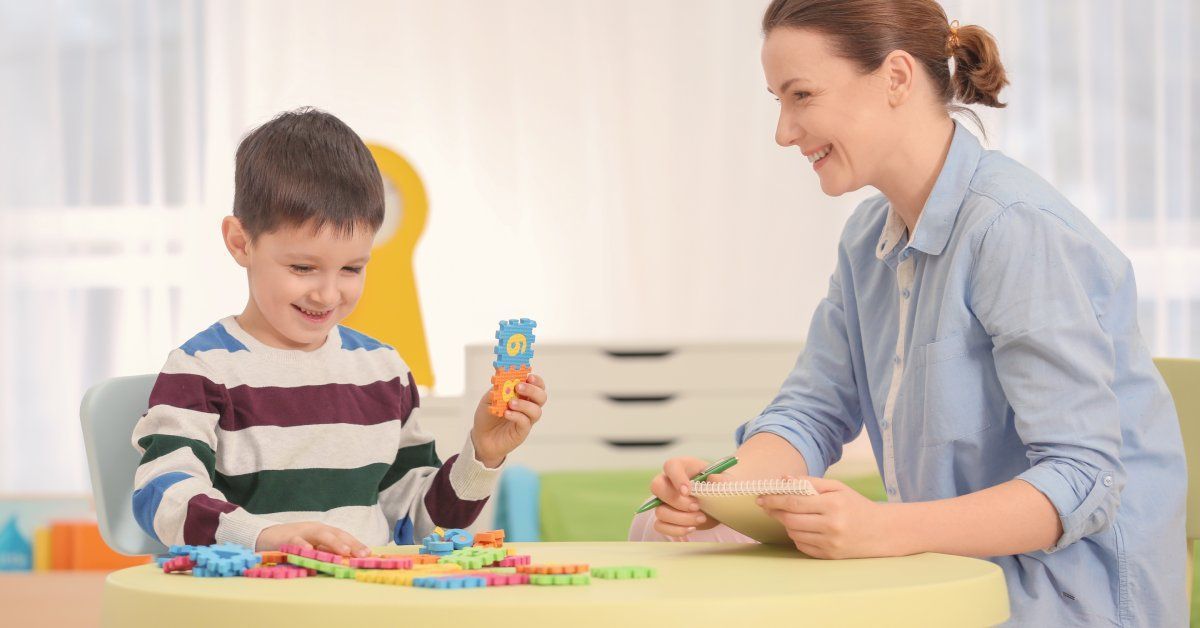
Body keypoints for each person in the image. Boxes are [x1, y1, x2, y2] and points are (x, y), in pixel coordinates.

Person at [635, 1, 1186, 625]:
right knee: (660, 534)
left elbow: (1083, 479)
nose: (784, 132)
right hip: (945, 578)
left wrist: (882, 530)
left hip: (1060, 601)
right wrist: (719, 487)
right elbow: (809, 415)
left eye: (802, 95)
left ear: (896, 78)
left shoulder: (1016, 231)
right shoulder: (868, 240)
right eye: (777, 101)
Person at [130, 108, 549, 557]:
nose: (328, 294)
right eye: (302, 267)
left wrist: (481, 455)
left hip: (366, 600)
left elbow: (421, 524)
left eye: (351, 268)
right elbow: (161, 493)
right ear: (240, 242)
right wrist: (260, 538)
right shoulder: (201, 370)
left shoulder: (383, 372)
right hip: (258, 598)